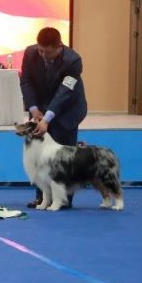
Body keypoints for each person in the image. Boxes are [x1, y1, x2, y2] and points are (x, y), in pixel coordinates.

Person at [20, 26, 87, 209]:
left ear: (59, 46)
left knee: (64, 158)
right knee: (40, 155)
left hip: (67, 111)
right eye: (40, 50)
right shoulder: (30, 53)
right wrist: (33, 108)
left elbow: (65, 91)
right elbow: (26, 81)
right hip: (40, 109)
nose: (42, 55)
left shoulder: (73, 61)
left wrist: (47, 118)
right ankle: (42, 198)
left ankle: (64, 199)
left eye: (47, 52)